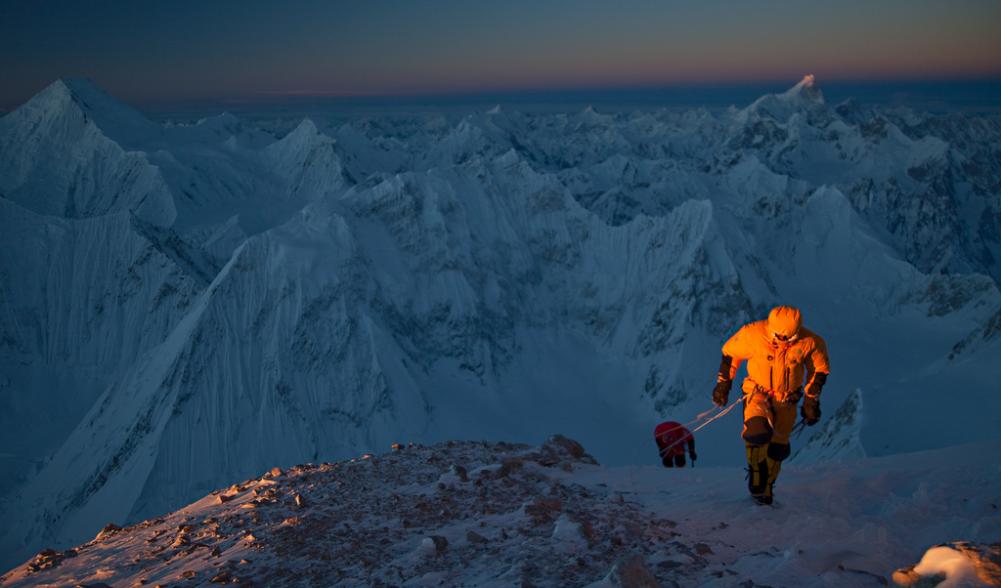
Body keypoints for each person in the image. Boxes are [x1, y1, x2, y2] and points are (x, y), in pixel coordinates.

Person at [711, 305, 830, 505]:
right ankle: (757, 474)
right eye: (778, 336)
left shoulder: (810, 342)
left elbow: (819, 369)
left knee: (778, 448)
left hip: (787, 399)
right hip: (757, 392)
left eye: (789, 338)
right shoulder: (754, 334)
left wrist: (811, 400)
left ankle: (766, 488)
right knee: (757, 431)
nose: (783, 341)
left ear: (797, 331)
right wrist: (724, 384)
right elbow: (730, 353)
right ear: (770, 328)